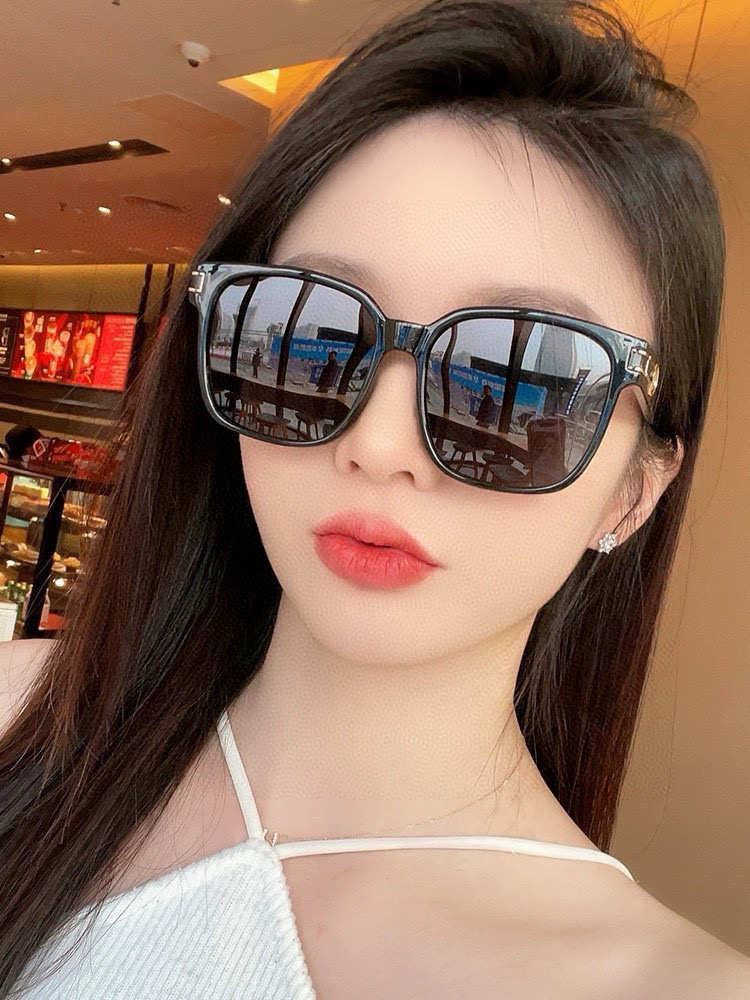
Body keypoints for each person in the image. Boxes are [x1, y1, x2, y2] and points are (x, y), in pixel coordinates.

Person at [2, 1, 749, 997]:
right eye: (304, 331)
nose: (379, 444)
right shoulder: (20, 717)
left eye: (515, 383)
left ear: (635, 493)